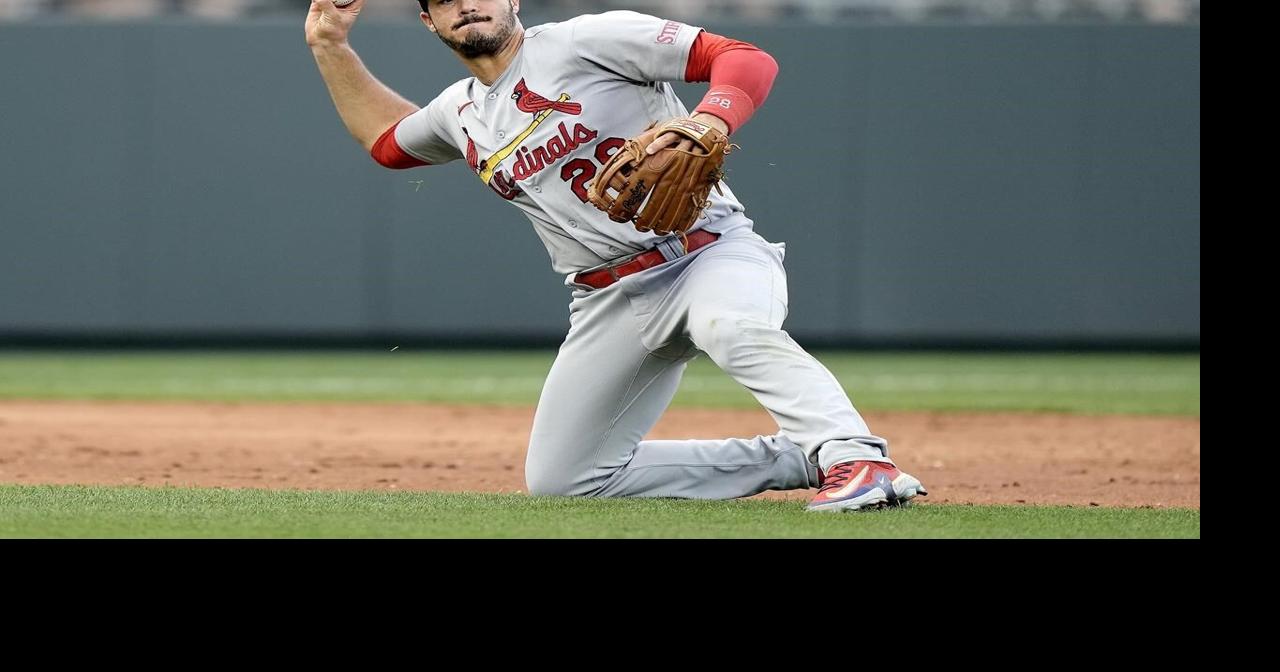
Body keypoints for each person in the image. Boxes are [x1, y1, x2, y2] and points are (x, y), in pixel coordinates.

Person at [304, 0, 927, 511]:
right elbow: (387, 144)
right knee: (564, 478)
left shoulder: (587, 40)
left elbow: (744, 58)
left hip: (705, 253)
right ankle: (796, 457)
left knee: (729, 324)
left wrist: (710, 122)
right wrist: (330, 46)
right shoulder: (460, 111)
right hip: (608, 299)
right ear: (430, 23)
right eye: (444, 1)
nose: (467, 5)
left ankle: (857, 458)